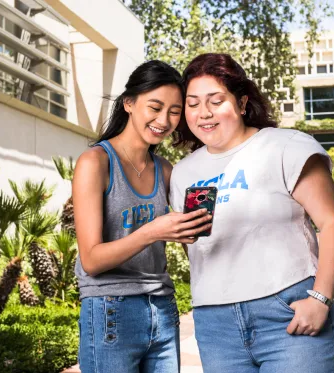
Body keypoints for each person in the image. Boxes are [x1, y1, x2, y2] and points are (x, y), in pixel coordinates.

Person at [169, 53, 334, 373]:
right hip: (216, 324)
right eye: (193, 103)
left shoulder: (287, 146)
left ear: (241, 103)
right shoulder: (183, 173)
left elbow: (333, 222)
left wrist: (320, 300)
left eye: (216, 100)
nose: (204, 113)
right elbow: (194, 245)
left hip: (287, 309)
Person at [72, 60, 212, 373]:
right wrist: (153, 231)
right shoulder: (95, 162)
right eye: (155, 106)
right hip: (110, 310)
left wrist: (191, 231)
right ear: (130, 103)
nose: (164, 120)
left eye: (174, 111)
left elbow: (189, 243)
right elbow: (92, 260)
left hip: (163, 309)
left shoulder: (165, 171)